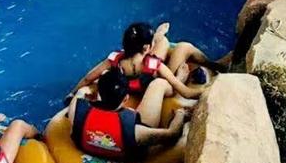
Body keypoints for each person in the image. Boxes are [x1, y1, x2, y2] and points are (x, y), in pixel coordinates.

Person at [69, 21, 219, 105]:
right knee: (184, 47)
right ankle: (217, 66)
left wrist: (72, 93)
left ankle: (159, 35)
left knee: (163, 41)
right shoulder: (155, 65)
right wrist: (213, 89)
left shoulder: (114, 61)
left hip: (135, 82)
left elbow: (88, 78)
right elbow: (186, 92)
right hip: (155, 84)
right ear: (147, 48)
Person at [68, 68, 187, 163]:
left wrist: (86, 90)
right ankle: (178, 82)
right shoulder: (136, 130)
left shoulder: (76, 110)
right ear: (126, 98)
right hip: (129, 149)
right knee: (158, 84)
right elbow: (172, 134)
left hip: (90, 145)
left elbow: (82, 92)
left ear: (98, 93)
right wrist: (180, 114)